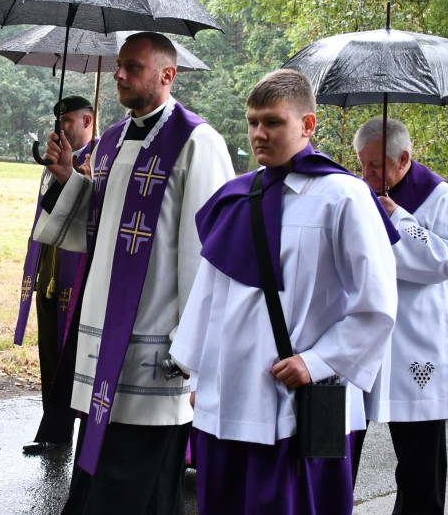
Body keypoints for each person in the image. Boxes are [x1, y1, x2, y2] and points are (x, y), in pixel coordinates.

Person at [169, 69, 398, 514]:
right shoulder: (234, 196)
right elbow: (209, 295)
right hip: (227, 398)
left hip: (300, 401)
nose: (259, 133)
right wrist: (197, 377)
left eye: (272, 122)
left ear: (307, 125)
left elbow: (377, 304)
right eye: (253, 121)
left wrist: (317, 362)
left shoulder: (344, 197)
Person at [36, 32, 234, 514]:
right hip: (106, 337)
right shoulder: (109, 141)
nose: (120, 74)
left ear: (168, 75)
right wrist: (70, 178)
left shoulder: (196, 142)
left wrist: (194, 348)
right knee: (100, 469)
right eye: (119, 66)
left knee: (140, 486)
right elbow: (100, 228)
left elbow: (207, 251)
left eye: (133, 67)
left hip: (156, 339)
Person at [352, 117, 448, 514]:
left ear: (404, 159)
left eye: (375, 165)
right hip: (362, 339)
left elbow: (447, 260)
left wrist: (398, 216)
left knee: (419, 462)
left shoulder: (443, 197)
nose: (366, 174)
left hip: (416, 341)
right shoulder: (357, 196)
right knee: (337, 448)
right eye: (361, 164)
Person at [17, 95, 96, 455]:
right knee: (49, 352)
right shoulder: (54, 162)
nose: (61, 127)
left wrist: (76, 176)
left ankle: (83, 431)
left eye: (69, 121)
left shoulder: (99, 161)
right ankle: (54, 428)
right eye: (59, 121)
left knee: (74, 356)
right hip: (49, 269)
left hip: (78, 276)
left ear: (88, 121)